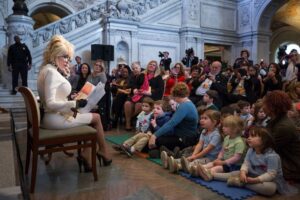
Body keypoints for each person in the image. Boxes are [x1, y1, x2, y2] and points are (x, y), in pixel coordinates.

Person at [37, 35, 111, 172]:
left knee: (90, 115)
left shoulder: (47, 70)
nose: (67, 61)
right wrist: (74, 104)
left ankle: (90, 155)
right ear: (55, 55)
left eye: (68, 58)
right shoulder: (51, 72)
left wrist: (71, 99)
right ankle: (101, 152)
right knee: (96, 118)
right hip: (54, 119)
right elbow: (50, 103)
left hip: (54, 116)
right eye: (64, 57)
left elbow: (53, 97)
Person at [213, 127, 298, 196]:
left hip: (268, 181)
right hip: (251, 175)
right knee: (235, 172)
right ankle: (212, 175)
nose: (249, 138)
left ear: (264, 140)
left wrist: (256, 180)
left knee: (270, 189)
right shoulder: (251, 150)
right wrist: (243, 172)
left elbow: (271, 174)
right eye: (249, 136)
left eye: (253, 136)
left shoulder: (272, 156)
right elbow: (246, 163)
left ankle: (240, 182)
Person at [148, 82, 198, 155]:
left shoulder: (184, 106)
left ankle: (169, 152)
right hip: (181, 135)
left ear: (176, 95)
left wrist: (154, 135)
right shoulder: (187, 104)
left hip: (184, 138)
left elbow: (171, 123)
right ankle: (166, 151)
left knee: (156, 140)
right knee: (155, 141)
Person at [263, 90, 300, 181]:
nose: (263, 107)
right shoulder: (275, 120)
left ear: (272, 107)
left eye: (265, 104)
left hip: (290, 167)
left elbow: (266, 147)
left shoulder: (283, 127)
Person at [195, 115, 246, 180]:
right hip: (223, 161)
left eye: (226, 126)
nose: (223, 128)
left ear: (235, 129)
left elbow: (236, 158)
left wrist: (223, 162)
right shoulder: (227, 138)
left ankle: (207, 174)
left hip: (232, 165)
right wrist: (218, 158)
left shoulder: (239, 142)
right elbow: (222, 151)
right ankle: (198, 169)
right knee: (211, 164)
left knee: (215, 168)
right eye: (223, 126)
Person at [124, 60, 164, 130]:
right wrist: (135, 89)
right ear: (147, 66)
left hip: (150, 96)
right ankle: (128, 123)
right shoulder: (142, 75)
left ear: (156, 68)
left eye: (153, 65)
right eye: (150, 64)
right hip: (139, 94)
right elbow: (135, 84)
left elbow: (160, 91)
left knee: (138, 105)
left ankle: (133, 119)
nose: (151, 66)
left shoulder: (158, 77)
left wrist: (149, 93)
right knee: (127, 103)